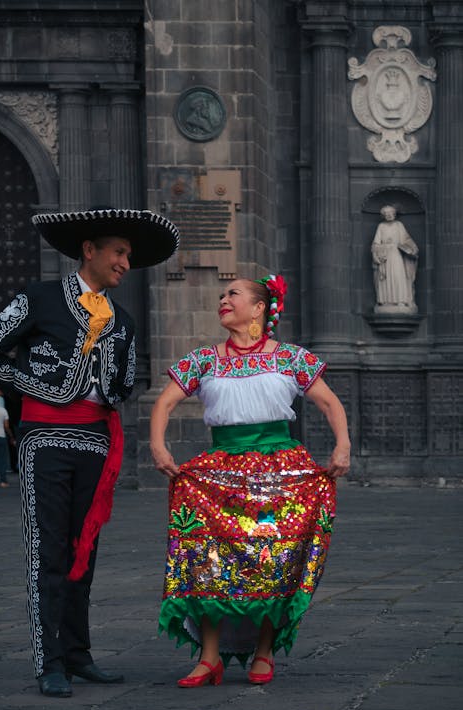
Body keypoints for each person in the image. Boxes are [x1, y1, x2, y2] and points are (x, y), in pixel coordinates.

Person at [0, 207, 179, 697]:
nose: (126, 263)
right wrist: (35, 385)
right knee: (48, 551)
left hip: (95, 444)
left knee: (84, 551)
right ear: (90, 250)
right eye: (119, 252)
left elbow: (125, 386)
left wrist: (110, 370)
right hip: (44, 440)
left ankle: (79, 654)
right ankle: (51, 661)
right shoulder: (37, 299)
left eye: (129, 255)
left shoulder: (123, 322)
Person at [150, 274, 350, 687]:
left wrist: (342, 445)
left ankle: (264, 650)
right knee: (205, 558)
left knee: (271, 558)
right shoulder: (204, 359)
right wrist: (158, 446)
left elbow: (329, 402)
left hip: (280, 470)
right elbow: (165, 402)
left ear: (259, 308)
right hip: (219, 473)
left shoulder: (291, 357)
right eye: (222, 295)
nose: (223, 300)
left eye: (232, 294)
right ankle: (209, 657)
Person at [371, 205, 419, 313]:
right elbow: (375, 244)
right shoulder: (381, 226)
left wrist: (410, 249)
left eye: (390, 213)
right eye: (386, 213)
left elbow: (407, 240)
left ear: (394, 214)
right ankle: (386, 301)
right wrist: (378, 253)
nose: (388, 215)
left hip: (397, 254)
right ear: (383, 215)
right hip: (385, 256)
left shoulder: (399, 225)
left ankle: (400, 300)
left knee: (398, 277)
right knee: (386, 278)